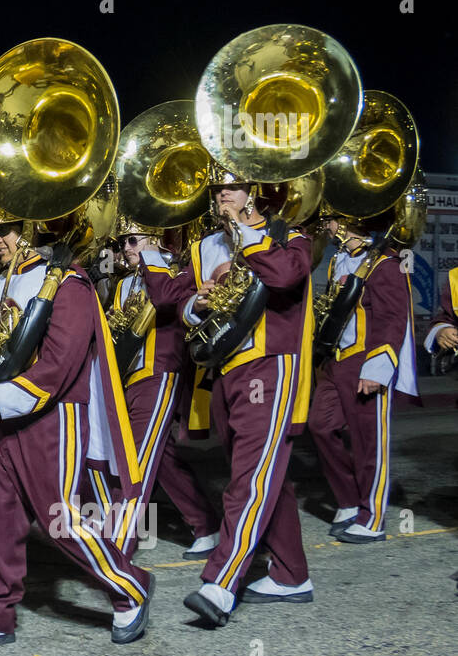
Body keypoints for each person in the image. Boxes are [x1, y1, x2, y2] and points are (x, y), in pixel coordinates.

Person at [0, 203, 153, 649]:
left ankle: (130, 586)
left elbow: (59, 366)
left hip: (51, 417)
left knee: (60, 518)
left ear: (32, 227)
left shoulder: (71, 283)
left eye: (8, 229)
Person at [139, 166, 314, 626]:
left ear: (254, 191)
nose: (221, 196)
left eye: (231, 188)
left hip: (270, 368)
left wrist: (245, 230)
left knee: (248, 479)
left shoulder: (288, 236)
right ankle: (292, 574)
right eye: (216, 188)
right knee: (264, 476)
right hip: (224, 370)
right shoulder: (204, 247)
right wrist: (197, 302)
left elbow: (284, 277)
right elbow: (176, 299)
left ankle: (221, 583)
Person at [104, 219, 220, 559]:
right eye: (123, 241)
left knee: (134, 460)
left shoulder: (175, 272)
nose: (125, 247)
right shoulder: (124, 282)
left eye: (133, 240)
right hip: (129, 376)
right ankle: (206, 524)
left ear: (154, 240)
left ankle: (116, 545)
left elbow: (169, 298)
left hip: (160, 375)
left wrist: (152, 256)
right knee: (161, 457)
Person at [308, 212, 418, 543]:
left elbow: (393, 318)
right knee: (320, 426)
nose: (325, 226)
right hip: (337, 361)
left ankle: (373, 517)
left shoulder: (386, 263)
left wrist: (377, 367)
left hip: (365, 360)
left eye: (329, 220)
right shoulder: (337, 261)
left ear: (346, 222)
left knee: (370, 442)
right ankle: (348, 501)